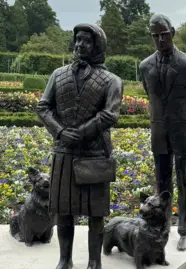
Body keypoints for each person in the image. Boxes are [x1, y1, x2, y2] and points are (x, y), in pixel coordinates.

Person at [36, 23, 123, 269]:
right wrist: (61, 131)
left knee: (96, 213)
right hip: (64, 152)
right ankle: (65, 259)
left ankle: (94, 261)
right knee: (64, 210)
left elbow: (110, 114)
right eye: (77, 40)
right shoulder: (58, 74)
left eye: (86, 40)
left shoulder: (112, 80)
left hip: (95, 154)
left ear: (97, 45)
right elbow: (43, 107)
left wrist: (82, 132)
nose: (79, 44)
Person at [139, 13, 186, 251]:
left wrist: (181, 111)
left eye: (164, 34)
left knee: (184, 180)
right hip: (159, 131)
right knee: (162, 182)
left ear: (173, 33)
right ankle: (161, 226)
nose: (160, 39)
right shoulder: (145, 66)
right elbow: (150, 94)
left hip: (183, 130)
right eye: (155, 35)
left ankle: (184, 229)